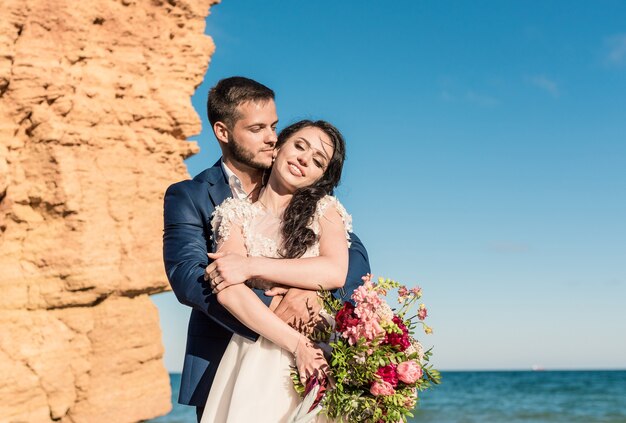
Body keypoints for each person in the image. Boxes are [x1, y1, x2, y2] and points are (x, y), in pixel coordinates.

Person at [162, 76, 370, 422]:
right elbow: (189, 278)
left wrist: (313, 294)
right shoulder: (192, 196)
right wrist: (278, 305)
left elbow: (354, 258)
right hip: (233, 353)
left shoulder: (315, 201)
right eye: (257, 128)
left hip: (316, 348)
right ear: (223, 132)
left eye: (274, 126)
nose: (271, 137)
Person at [201, 119, 352, 422]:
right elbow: (229, 292)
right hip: (259, 349)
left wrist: (251, 265)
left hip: (322, 348)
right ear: (279, 146)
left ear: (321, 176)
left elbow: (335, 271)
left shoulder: (326, 210)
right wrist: (298, 345)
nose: (303, 159)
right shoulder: (236, 214)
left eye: (318, 160)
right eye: (300, 146)